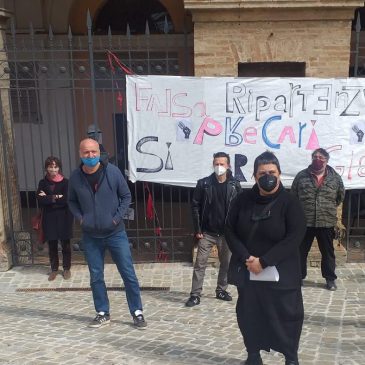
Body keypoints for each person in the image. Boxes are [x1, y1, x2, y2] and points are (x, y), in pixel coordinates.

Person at [225, 151, 306, 365]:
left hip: (282, 275)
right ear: (254, 176)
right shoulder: (242, 200)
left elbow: (294, 237)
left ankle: (290, 358)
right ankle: (253, 355)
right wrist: (247, 258)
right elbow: (230, 230)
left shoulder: (290, 202)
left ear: (279, 174)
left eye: (272, 172)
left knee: (288, 318)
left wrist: (265, 261)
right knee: (249, 315)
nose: (267, 176)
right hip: (249, 272)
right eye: (262, 173)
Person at [68, 138, 146, 328]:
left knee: (128, 274)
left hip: (115, 233)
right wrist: (81, 218)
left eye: (94, 152)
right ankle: (102, 312)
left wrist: (116, 218)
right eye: (86, 153)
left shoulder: (112, 172)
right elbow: (71, 201)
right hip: (91, 236)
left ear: (99, 152)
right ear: (80, 154)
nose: (91, 156)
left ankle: (137, 312)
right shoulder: (75, 177)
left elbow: (126, 196)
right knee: (96, 276)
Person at [185, 152, 241, 307]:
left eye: (222, 164)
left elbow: (240, 208)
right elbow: (195, 206)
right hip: (207, 233)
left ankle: (221, 290)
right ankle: (195, 294)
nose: (219, 167)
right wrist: (198, 229)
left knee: (226, 263)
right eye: (216, 163)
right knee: (200, 264)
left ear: (228, 165)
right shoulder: (204, 184)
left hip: (226, 234)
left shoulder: (234, 185)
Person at [291, 148, 345, 291]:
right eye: (315, 156)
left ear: (326, 160)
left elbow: (340, 196)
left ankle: (330, 279)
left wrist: (327, 208)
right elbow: (293, 196)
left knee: (328, 253)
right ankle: (298, 277)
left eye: (321, 157)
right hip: (305, 221)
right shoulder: (301, 176)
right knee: (300, 251)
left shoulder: (335, 177)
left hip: (326, 221)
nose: (317, 159)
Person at [36, 156, 73, 281]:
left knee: (65, 245)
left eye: (55, 167)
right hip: (49, 218)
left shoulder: (65, 182)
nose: (53, 170)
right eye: (50, 167)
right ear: (46, 168)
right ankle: (54, 269)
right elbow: (40, 199)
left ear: (59, 168)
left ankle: (67, 268)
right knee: (52, 245)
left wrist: (49, 198)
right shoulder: (43, 182)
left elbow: (66, 200)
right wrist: (56, 197)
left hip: (64, 217)